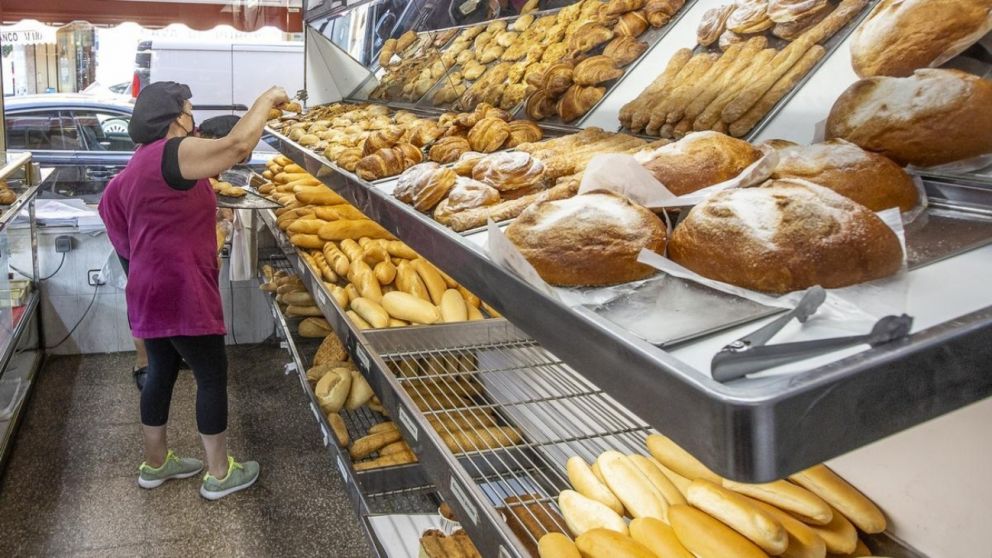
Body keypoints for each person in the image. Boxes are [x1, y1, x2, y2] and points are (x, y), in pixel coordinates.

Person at [98, 81, 289, 500]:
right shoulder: (172, 151)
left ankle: (156, 463)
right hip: (181, 288)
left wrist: (154, 258)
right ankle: (220, 473)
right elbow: (238, 145)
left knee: (160, 371)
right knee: (211, 373)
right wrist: (266, 98)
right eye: (188, 109)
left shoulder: (135, 166)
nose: (192, 116)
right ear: (173, 119)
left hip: (148, 288)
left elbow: (117, 223)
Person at [128, 115, 242, 392]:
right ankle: (144, 364)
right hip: (161, 267)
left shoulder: (155, 156)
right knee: (211, 376)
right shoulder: (182, 157)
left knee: (162, 365)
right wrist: (223, 226)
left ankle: (153, 364)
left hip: (149, 265)